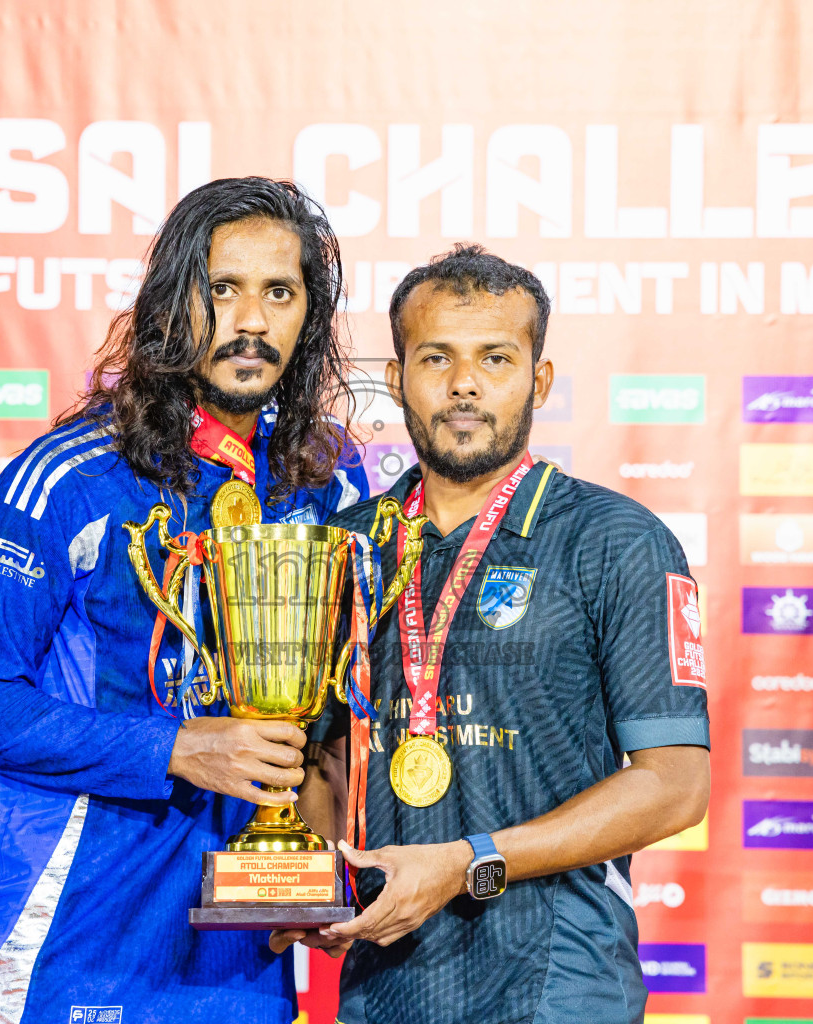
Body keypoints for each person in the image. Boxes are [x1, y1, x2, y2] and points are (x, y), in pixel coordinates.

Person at [0, 177, 367, 1024]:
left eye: (279, 292)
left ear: (308, 316)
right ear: (174, 305)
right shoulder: (68, 475)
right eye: (222, 289)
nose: (250, 321)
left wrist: (324, 870)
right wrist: (178, 746)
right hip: (76, 937)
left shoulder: (319, 487)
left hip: (242, 950)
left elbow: (321, 730)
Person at [282, 244, 711, 1024]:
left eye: (496, 358)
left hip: (555, 984)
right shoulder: (344, 548)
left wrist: (466, 864)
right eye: (435, 357)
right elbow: (325, 760)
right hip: (384, 988)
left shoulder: (615, 540)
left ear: (538, 380)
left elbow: (675, 785)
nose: (464, 384)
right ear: (397, 377)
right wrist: (314, 876)